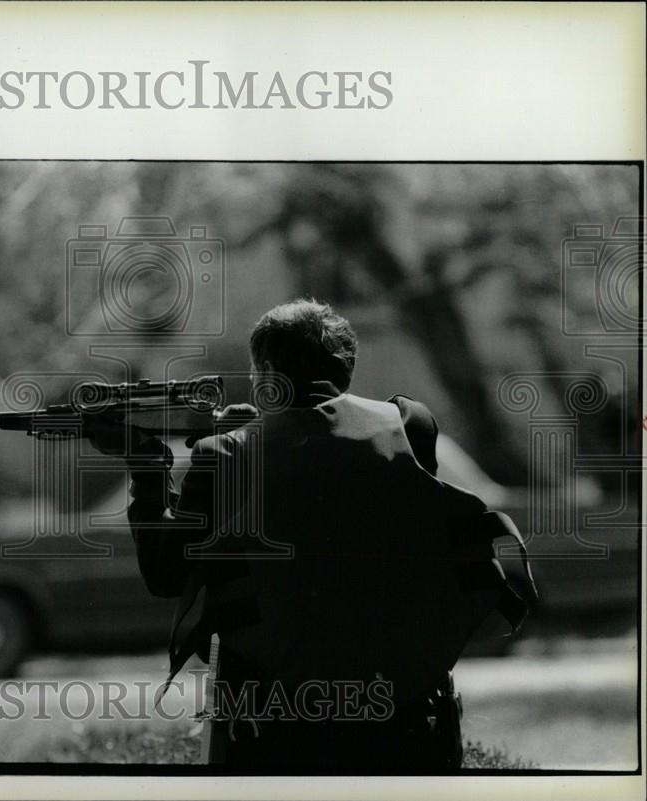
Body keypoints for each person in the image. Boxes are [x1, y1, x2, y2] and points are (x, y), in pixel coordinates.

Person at [88, 297, 533, 771]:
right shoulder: (408, 425)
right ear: (347, 371)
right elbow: (328, 456)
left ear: (264, 371)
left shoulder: (224, 455)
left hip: (272, 725)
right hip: (401, 715)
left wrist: (147, 465)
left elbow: (166, 575)